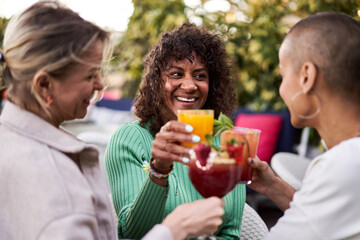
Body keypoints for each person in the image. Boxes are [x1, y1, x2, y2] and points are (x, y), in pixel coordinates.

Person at [0, 2, 225, 240]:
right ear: (44, 84)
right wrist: (172, 231)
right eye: (90, 75)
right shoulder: (51, 175)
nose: (100, 85)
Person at [105, 23, 246, 239]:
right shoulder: (130, 140)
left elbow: (230, 232)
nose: (189, 86)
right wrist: (158, 171)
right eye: (176, 74)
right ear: (155, 82)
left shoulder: (228, 142)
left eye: (200, 76)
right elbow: (134, 234)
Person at [247, 12, 360, 239]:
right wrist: (272, 186)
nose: (281, 89)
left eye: (282, 74)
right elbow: (327, 220)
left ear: (307, 77)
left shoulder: (343, 165)